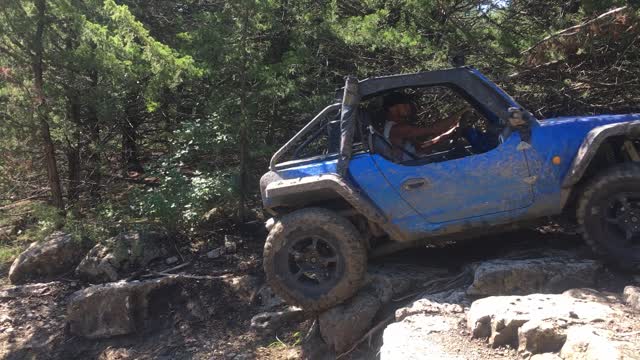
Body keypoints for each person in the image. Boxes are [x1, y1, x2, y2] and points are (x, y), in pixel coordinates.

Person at [381, 92, 471, 161]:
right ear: (392, 109)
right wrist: (462, 111)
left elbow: (421, 149)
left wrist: (450, 132)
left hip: (417, 162)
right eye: (404, 104)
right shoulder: (397, 129)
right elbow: (434, 129)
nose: (408, 106)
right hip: (413, 167)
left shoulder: (398, 127)